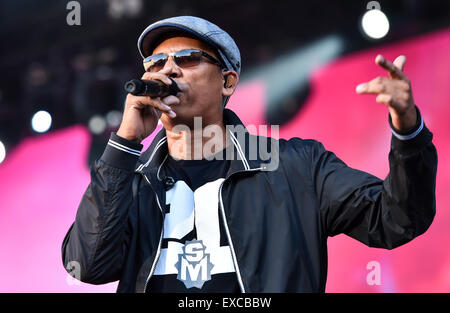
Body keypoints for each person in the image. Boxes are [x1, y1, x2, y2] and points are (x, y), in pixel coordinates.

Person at [62, 16, 437, 293]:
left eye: (188, 59)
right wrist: (124, 144)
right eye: (155, 64)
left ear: (227, 81)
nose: (168, 70)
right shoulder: (133, 178)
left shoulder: (296, 165)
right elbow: (89, 266)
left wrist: (408, 132)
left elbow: (396, 218)